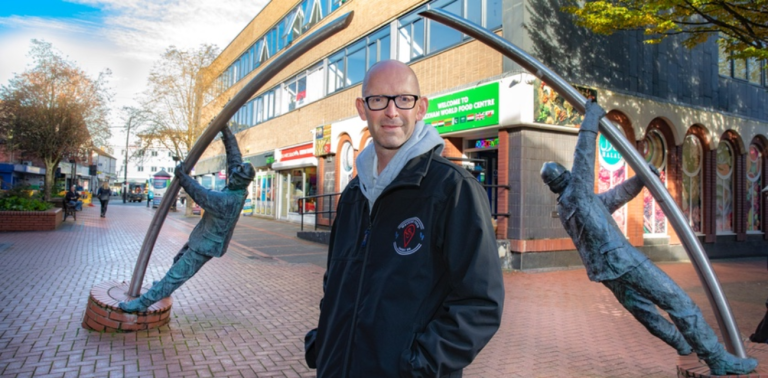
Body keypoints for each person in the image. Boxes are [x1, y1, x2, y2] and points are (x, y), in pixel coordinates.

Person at [304, 60, 504, 377]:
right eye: (379, 99)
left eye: (404, 99)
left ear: (421, 107)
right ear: (362, 108)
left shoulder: (452, 189)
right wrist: (324, 341)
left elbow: (480, 303)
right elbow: (336, 284)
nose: (392, 112)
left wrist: (416, 366)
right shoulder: (355, 194)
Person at [540, 100, 758, 376]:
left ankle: (681, 344)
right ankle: (717, 359)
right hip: (622, 259)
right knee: (680, 303)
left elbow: (611, 199)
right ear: (567, 177)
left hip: (605, 271)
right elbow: (584, 156)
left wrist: (640, 180)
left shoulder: (567, 205)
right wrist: (591, 118)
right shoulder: (578, 193)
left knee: (644, 311)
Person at [119, 126, 256, 313]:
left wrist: (183, 177)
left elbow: (200, 194)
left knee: (176, 275)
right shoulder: (238, 184)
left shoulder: (229, 200)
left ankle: (141, 305)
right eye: (233, 174)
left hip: (206, 245)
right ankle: (164, 287)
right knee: (178, 259)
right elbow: (234, 157)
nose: (232, 177)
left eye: (236, 176)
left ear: (242, 181)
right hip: (203, 237)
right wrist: (226, 132)